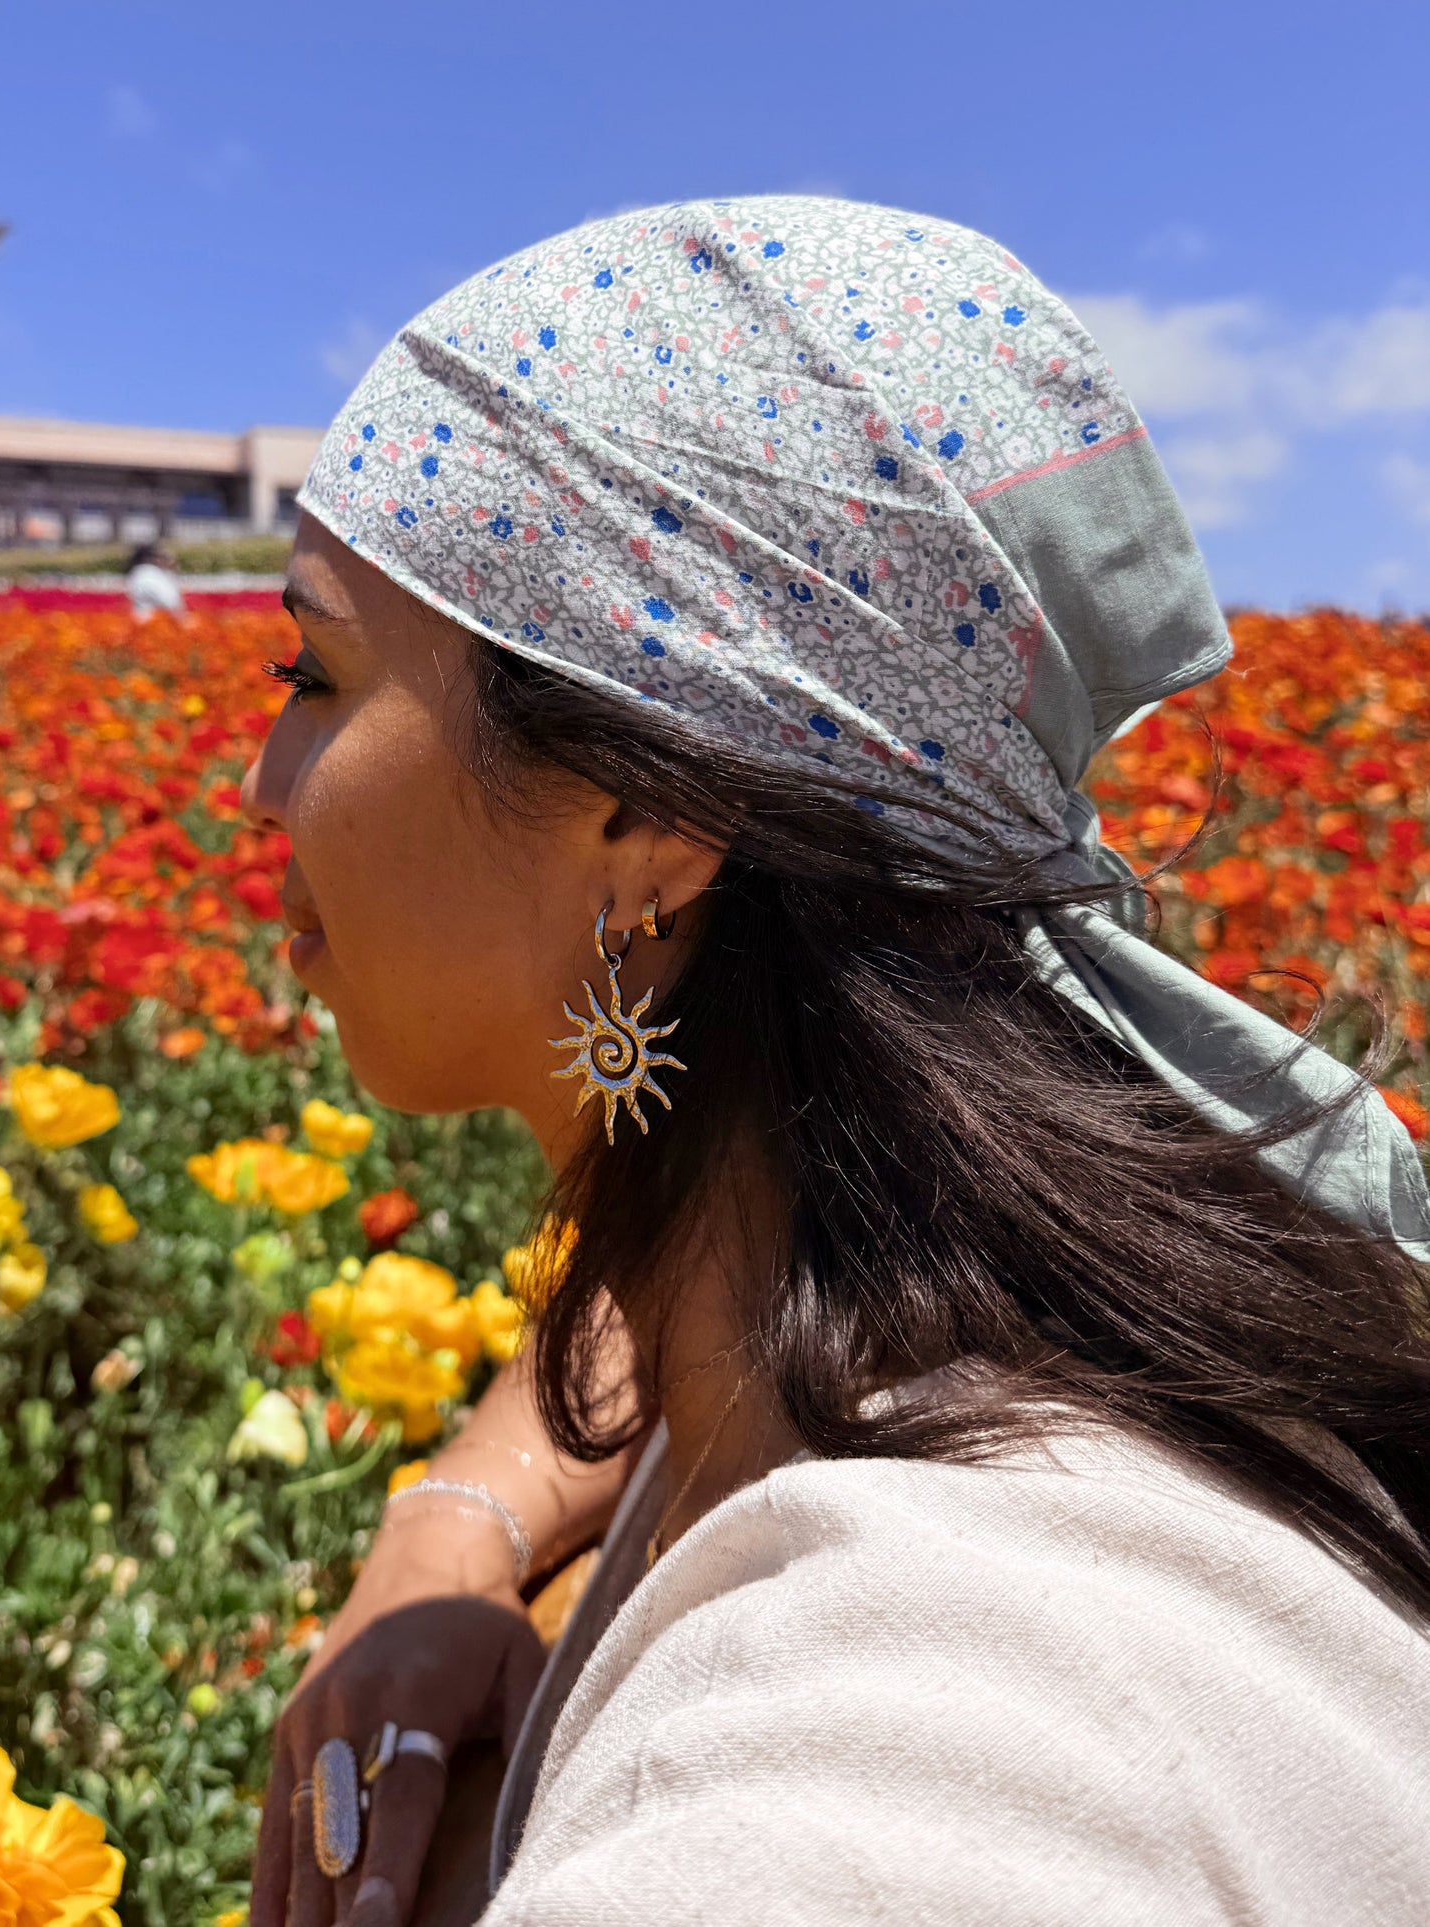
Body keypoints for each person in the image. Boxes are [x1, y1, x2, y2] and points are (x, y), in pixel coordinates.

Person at [241, 196, 1430, 1927]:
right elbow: (635, 1334)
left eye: (313, 672)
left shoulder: (852, 1796)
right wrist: (455, 1529)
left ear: (647, 818)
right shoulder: (937, 1291)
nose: (259, 786)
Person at [125, 540, 186, 620]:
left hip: (142, 619)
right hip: (158, 621)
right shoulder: (150, 574)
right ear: (153, 558)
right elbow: (171, 602)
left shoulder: (137, 573)